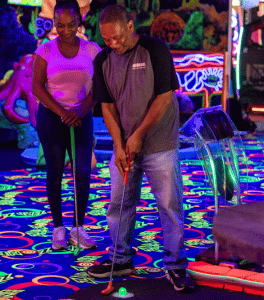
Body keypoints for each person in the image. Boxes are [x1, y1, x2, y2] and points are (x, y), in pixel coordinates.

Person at [87, 4, 194, 292]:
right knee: (118, 203)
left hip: (159, 141)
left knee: (169, 205)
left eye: (117, 37)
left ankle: (175, 264)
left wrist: (138, 135)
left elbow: (164, 96)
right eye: (107, 39)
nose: (113, 44)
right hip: (125, 143)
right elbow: (107, 107)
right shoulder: (103, 60)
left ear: (130, 27)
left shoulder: (154, 50)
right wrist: (120, 145)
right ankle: (120, 258)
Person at [32, 0, 101, 251]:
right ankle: (58, 228)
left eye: (71, 24)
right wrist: (62, 112)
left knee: (82, 172)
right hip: (52, 117)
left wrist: (82, 110)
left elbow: (100, 88)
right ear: (54, 23)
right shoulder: (46, 50)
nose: (66, 30)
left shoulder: (92, 50)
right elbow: (37, 87)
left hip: (81, 116)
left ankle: (78, 228)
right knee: (55, 171)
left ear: (79, 22)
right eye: (60, 25)